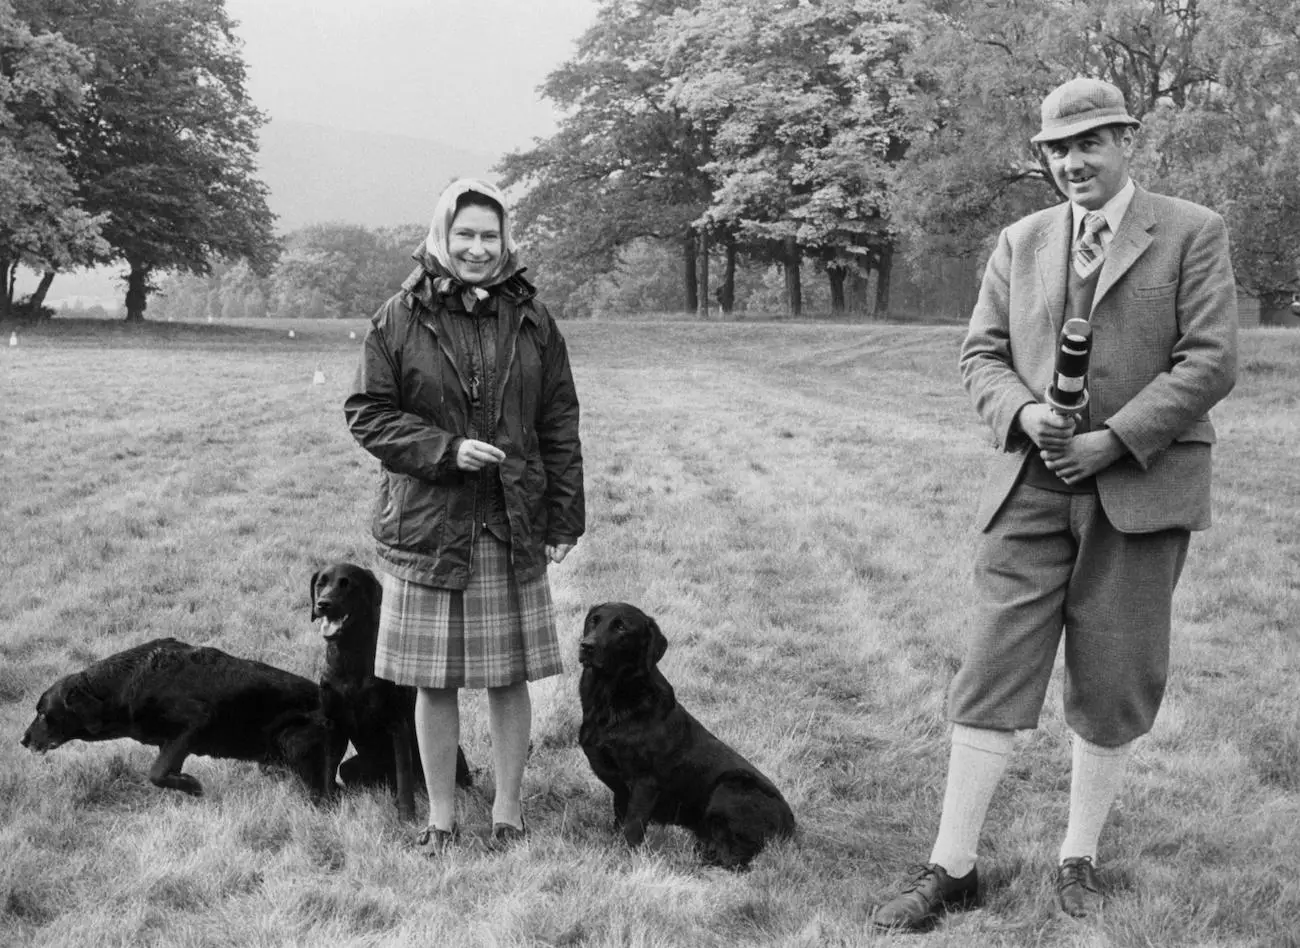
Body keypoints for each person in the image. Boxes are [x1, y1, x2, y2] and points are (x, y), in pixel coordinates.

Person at [871, 77, 1238, 930]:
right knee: (990, 667)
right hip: (1031, 484)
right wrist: (1027, 413)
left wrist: (1114, 440)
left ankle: (1079, 855)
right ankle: (951, 864)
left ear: (1127, 140)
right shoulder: (1023, 240)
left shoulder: (1191, 232)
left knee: (1113, 679)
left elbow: (1210, 360)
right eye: (1059, 149)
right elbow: (982, 356)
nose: (1073, 161)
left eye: (1090, 143)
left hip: (1140, 488)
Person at [344, 178, 584, 854]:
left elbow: (558, 420)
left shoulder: (533, 319)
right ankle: (441, 817)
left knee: (508, 677)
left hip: (510, 520)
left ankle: (508, 810)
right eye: (465, 234)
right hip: (429, 525)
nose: (477, 248)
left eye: (489, 235)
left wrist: (564, 515)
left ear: (505, 241)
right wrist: (445, 450)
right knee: (435, 680)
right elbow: (368, 413)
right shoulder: (399, 315)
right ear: (441, 237)